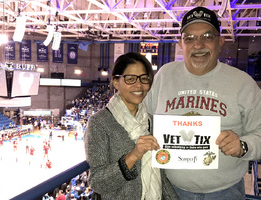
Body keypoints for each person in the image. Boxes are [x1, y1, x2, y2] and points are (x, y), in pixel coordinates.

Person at [145, 6, 261, 200]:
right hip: (170, 190)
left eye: (207, 37)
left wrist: (243, 145)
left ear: (220, 41)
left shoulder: (243, 83)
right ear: (181, 44)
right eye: (189, 38)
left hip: (225, 192)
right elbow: (144, 119)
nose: (198, 45)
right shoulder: (164, 75)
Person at [84, 52, 178, 199]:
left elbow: (160, 175)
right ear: (116, 82)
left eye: (144, 78)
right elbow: (97, 182)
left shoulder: (152, 121)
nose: (139, 85)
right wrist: (133, 156)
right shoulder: (99, 123)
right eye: (130, 79)